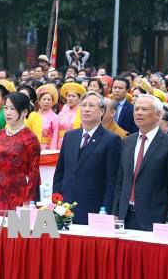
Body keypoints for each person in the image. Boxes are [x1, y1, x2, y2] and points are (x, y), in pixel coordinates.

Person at [113, 95, 168, 231]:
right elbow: (121, 181)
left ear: (158, 115)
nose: (139, 113)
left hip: (155, 219)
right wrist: (116, 212)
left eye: (144, 109)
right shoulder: (128, 141)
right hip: (124, 217)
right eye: (136, 109)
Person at [53, 92, 122, 224]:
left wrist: (107, 211)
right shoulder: (70, 136)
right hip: (65, 208)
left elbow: (111, 181)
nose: (86, 109)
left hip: (94, 210)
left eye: (91, 105)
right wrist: (57, 202)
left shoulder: (112, 140)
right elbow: (60, 173)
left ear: (102, 111)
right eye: (83, 105)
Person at [0, 93, 41, 210]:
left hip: (19, 196)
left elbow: (34, 173)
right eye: (6, 108)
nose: (7, 112)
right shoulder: (0, 134)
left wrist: (27, 202)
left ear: (24, 112)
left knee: (15, 228)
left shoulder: (30, 138)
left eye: (12, 109)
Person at [57, 83, 86, 149]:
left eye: (73, 96)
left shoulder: (82, 111)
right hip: (60, 142)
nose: (70, 98)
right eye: (68, 96)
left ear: (79, 98)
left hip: (74, 143)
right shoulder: (63, 111)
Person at [36, 84, 60, 150]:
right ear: (39, 101)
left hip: (47, 148)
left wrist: (52, 151)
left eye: (49, 100)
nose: (46, 101)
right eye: (44, 99)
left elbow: (55, 136)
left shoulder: (55, 117)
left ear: (52, 102)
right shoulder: (34, 116)